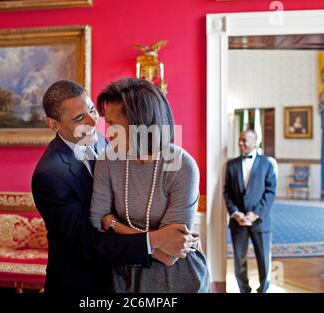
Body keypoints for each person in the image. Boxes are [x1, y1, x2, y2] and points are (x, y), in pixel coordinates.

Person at [31, 80, 199, 294]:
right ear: (53, 124)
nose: (94, 122)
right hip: (83, 282)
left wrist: (112, 222)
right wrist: (155, 239)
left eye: (92, 110)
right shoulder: (50, 174)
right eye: (79, 118)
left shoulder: (103, 142)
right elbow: (85, 243)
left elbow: (172, 250)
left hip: (148, 279)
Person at [89, 78, 210, 293]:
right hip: (122, 274)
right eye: (108, 124)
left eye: (115, 126)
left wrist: (115, 225)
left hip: (177, 278)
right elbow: (97, 226)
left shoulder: (183, 166)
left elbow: (169, 254)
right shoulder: (107, 160)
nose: (108, 134)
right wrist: (156, 239)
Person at [223, 130, 277, 293]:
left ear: (255, 142)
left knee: (263, 259)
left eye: (245, 140)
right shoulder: (231, 164)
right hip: (238, 221)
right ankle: (244, 290)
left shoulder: (267, 163)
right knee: (239, 260)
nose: (241, 144)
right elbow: (227, 192)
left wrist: (255, 214)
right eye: (240, 141)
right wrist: (235, 213)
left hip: (260, 221)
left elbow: (270, 191)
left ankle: (263, 290)